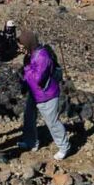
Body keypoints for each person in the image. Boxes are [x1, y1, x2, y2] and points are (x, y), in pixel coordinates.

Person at [18, 29, 70, 160]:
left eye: (22, 45)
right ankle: (31, 142)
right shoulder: (31, 54)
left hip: (47, 94)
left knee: (52, 122)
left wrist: (26, 68)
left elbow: (37, 79)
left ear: (29, 43)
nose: (20, 47)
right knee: (29, 117)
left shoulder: (42, 56)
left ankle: (64, 147)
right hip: (35, 93)